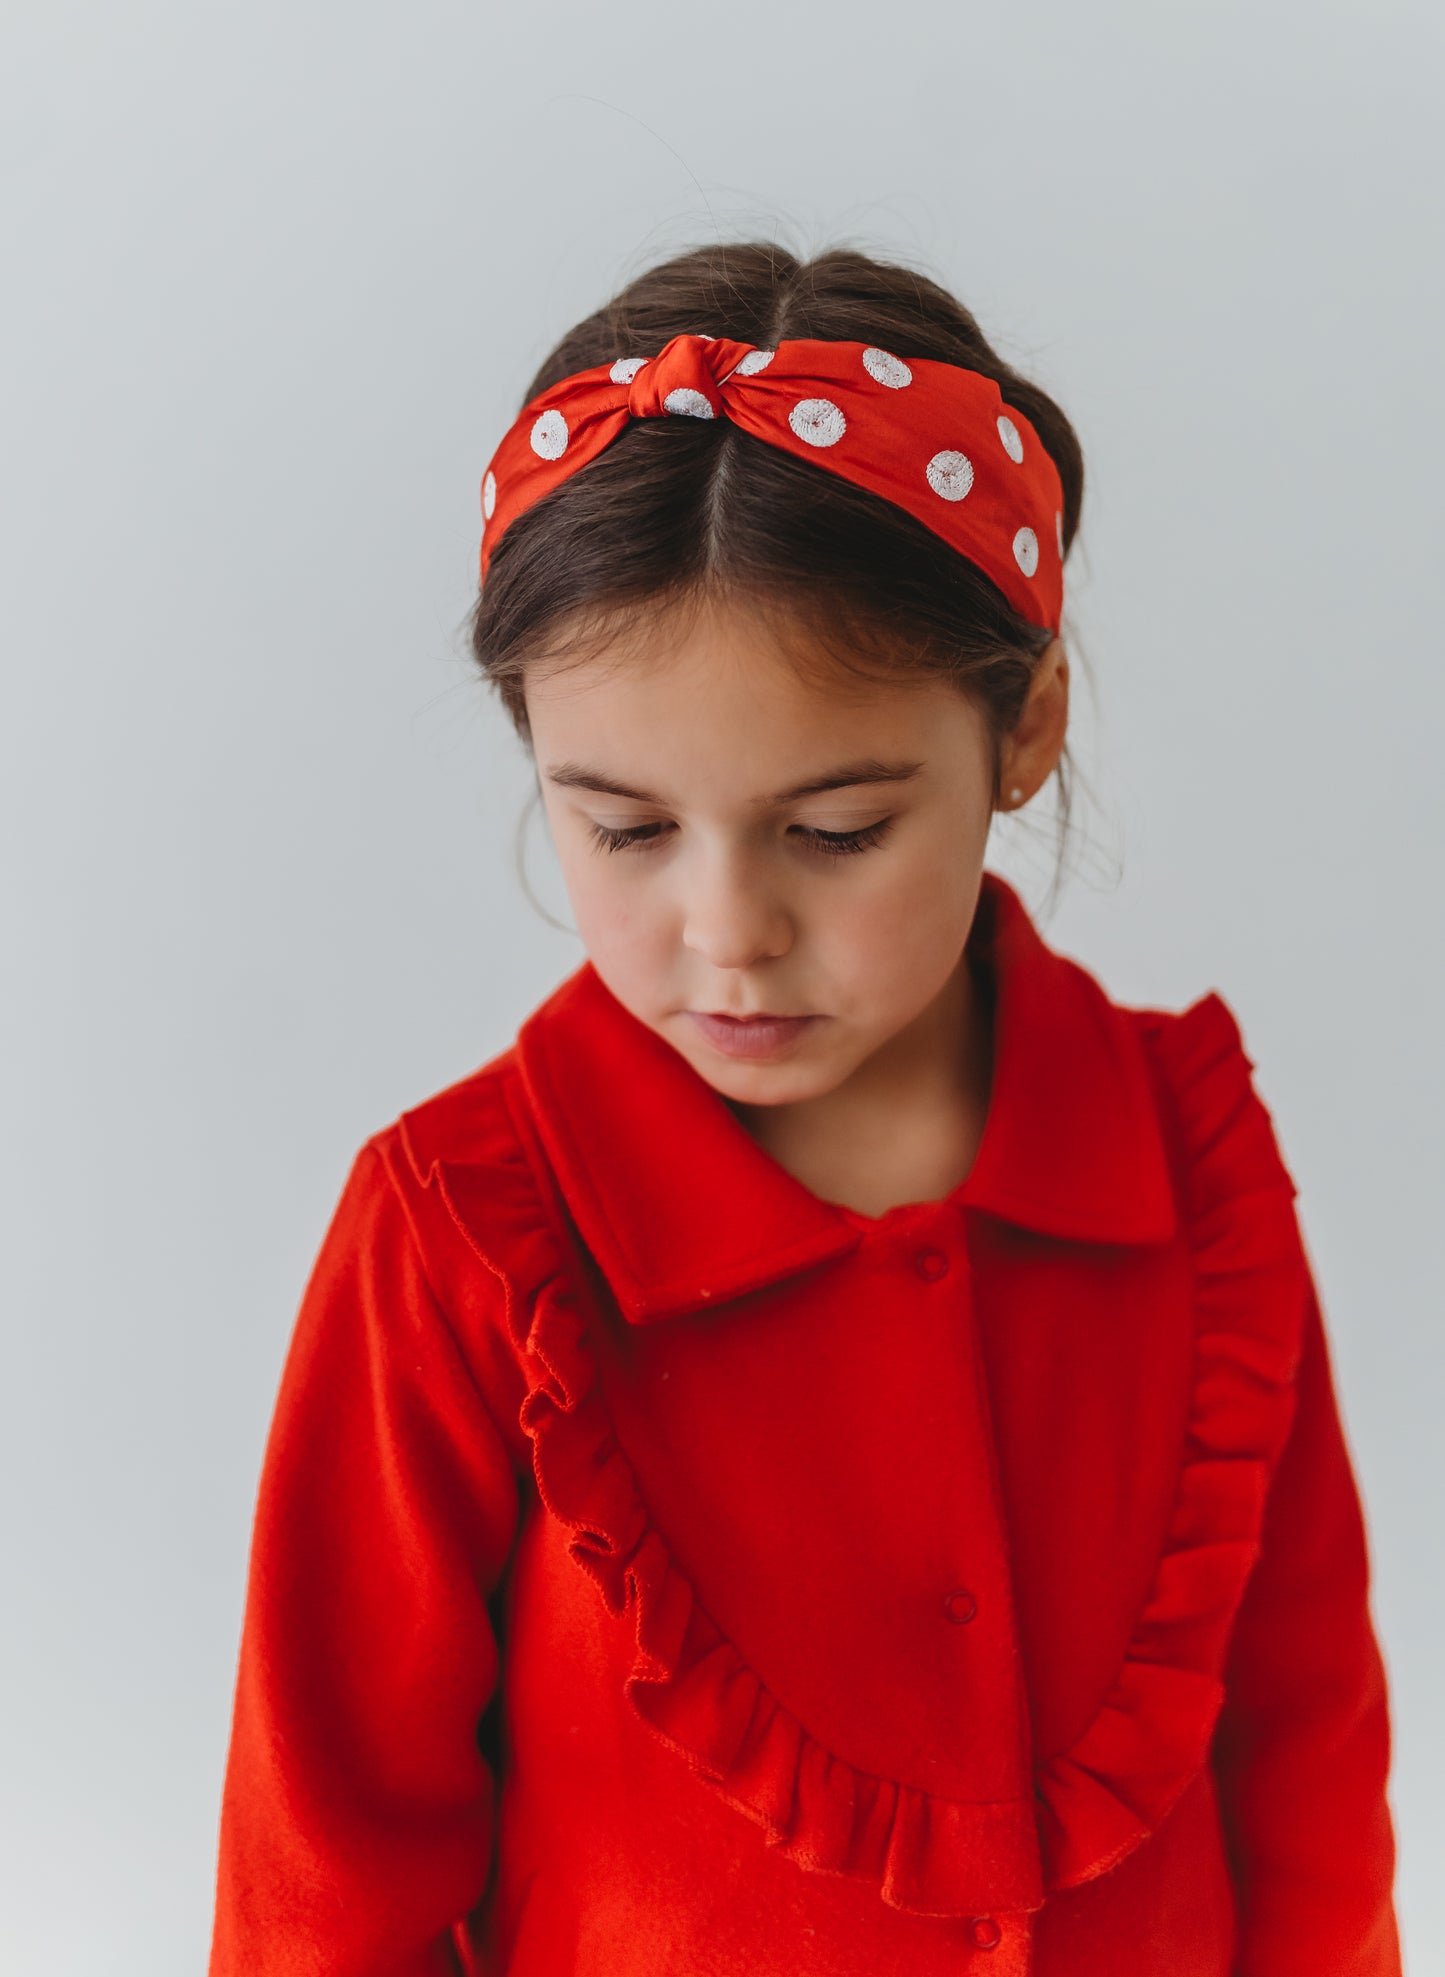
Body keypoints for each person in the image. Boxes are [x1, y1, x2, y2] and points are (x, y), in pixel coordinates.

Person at [206, 242, 1403, 1977]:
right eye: (620, 829)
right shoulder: (461, 1228)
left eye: (835, 830)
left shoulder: (1188, 1164)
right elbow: (322, 1859)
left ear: (1025, 731)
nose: (729, 932)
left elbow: (1305, 1760)